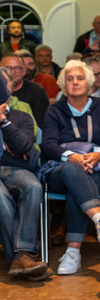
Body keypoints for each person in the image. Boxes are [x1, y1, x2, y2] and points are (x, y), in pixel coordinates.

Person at [42, 60, 100, 275]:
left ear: (89, 82)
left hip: (98, 169)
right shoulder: (54, 111)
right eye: (70, 79)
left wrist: (97, 154)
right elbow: (48, 145)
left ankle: (73, 252)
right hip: (59, 169)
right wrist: (72, 156)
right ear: (63, 84)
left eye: (80, 78)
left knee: (77, 188)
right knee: (72, 171)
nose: (75, 82)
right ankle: (99, 218)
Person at [0, 67, 48, 280]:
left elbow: (22, 147)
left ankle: (21, 255)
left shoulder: (21, 117)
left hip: (16, 169)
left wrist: (4, 122)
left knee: (33, 186)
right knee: (0, 197)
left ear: (8, 91)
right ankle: (20, 257)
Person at [1, 53, 49, 126]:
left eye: (17, 68)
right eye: (8, 68)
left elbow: (41, 124)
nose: (13, 72)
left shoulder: (37, 91)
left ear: (24, 71)